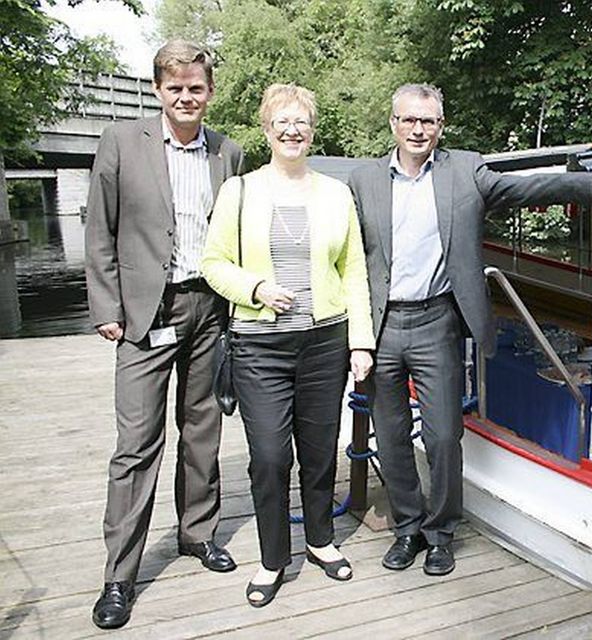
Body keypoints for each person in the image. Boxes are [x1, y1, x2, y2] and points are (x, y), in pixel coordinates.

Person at [348, 83, 592, 577]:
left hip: (437, 322)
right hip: (381, 325)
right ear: (393, 124)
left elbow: (529, 187)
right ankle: (407, 528)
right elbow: (340, 254)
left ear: (441, 126)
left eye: (428, 121)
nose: (418, 130)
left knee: (443, 436)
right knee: (391, 434)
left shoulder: (465, 171)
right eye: (409, 120)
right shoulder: (363, 182)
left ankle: (440, 533)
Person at [85, 40, 244, 630]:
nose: (186, 97)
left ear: (209, 91)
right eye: (175, 88)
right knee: (136, 444)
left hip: (209, 307)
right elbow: (99, 231)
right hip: (145, 312)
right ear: (157, 90)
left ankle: (197, 534)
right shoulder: (121, 142)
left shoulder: (229, 152)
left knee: (202, 430)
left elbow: (238, 232)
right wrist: (107, 306)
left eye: (196, 88)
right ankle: (119, 575)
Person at [202, 83, 375, 607]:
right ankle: (273, 558)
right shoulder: (240, 191)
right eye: (282, 122)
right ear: (267, 130)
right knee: (271, 457)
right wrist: (255, 288)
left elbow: (354, 271)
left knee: (319, 453)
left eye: (301, 122)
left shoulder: (336, 193)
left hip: (325, 343)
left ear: (312, 131)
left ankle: (320, 540)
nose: (292, 130)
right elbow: (213, 264)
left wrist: (361, 342)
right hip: (259, 346)